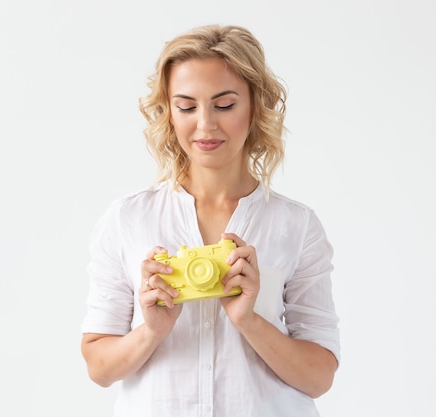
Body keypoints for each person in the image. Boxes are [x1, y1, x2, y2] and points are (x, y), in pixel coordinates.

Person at [80, 24, 340, 417]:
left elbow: (319, 376)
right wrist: (151, 330)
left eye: (224, 105)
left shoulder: (295, 225)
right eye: (186, 106)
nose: (205, 125)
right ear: (168, 111)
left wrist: (249, 321)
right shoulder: (128, 219)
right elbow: (99, 367)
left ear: (255, 105)